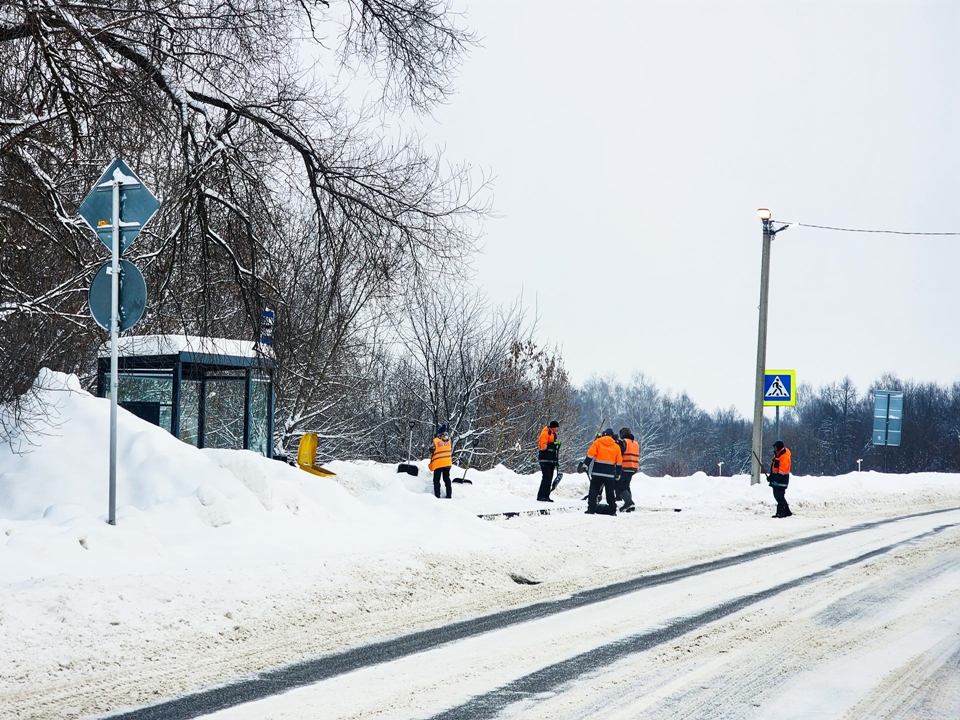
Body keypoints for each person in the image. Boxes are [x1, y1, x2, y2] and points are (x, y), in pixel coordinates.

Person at [583, 428, 622, 515]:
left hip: (597, 472)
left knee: (593, 490)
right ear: (611, 436)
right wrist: (619, 473)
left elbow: (590, 454)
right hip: (609, 474)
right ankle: (612, 510)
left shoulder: (598, 442)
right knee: (610, 492)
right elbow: (619, 461)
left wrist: (586, 464)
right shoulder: (616, 446)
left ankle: (591, 509)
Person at [536, 420, 561, 502]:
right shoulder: (545, 433)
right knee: (546, 477)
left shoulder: (554, 434)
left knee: (549, 478)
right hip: (545, 459)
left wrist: (557, 444)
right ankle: (541, 495)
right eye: (556, 428)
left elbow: (554, 446)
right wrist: (553, 444)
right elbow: (543, 446)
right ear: (552, 427)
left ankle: (546, 495)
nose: (557, 429)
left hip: (551, 460)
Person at [618, 427, 640, 512]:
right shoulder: (635, 444)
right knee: (626, 485)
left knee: (619, 485)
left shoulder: (623, 442)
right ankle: (629, 504)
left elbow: (619, 453)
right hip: (633, 467)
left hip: (625, 466)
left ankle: (628, 502)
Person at [769, 439, 792, 518]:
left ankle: (781, 513)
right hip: (777, 479)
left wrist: (776, 480)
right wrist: (771, 477)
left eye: (775, 447)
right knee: (777, 495)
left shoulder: (784, 456)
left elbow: (783, 470)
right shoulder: (777, 455)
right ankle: (787, 511)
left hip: (782, 480)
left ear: (779, 447)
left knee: (779, 496)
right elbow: (775, 469)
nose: (774, 449)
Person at [429, 423, 453, 499]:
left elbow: (431, 449)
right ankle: (449, 495)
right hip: (447, 463)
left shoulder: (436, 440)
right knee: (446, 479)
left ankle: (437, 495)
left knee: (436, 479)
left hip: (438, 463)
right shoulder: (449, 440)